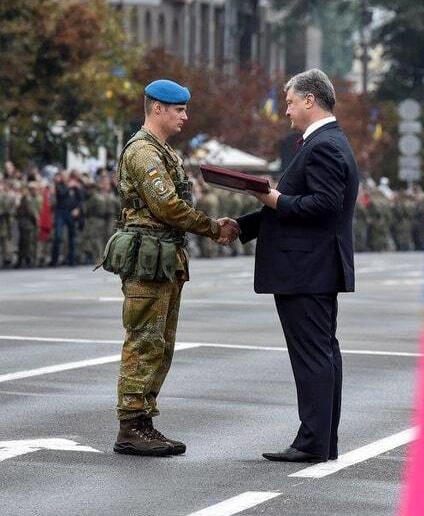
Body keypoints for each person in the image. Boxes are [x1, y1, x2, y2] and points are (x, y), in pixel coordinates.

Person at [231, 68, 359, 463]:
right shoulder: (324, 142)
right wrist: (242, 226)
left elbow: (322, 205)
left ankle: (313, 442)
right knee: (321, 355)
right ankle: (321, 440)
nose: (285, 110)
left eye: (289, 102)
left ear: (309, 100)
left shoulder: (324, 146)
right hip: (313, 267)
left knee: (313, 358)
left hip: (308, 269)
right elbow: (295, 200)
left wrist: (272, 199)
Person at [105, 79, 237, 457]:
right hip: (148, 259)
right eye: (179, 109)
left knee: (161, 344)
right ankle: (130, 425)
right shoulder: (143, 152)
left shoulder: (164, 152)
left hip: (163, 258)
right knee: (144, 341)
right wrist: (213, 228)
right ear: (157, 108)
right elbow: (167, 207)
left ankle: (144, 421)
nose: (185, 115)